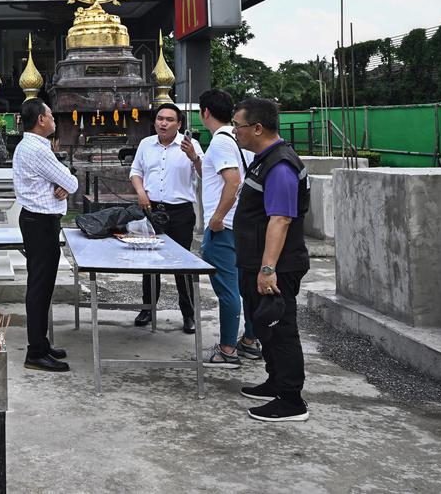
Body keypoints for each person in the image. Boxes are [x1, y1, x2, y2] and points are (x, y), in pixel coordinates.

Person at [231, 98, 311, 422]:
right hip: (255, 262)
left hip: (277, 267)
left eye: (238, 125)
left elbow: (281, 219)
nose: (235, 131)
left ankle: (291, 400)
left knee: (281, 330)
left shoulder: (280, 165)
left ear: (257, 128)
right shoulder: (262, 160)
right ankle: (276, 381)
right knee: (265, 326)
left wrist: (267, 270)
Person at [12, 97, 78, 372]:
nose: (53, 119)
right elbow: (72, 182)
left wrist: (60, 182)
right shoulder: (36, 149)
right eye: (50, 115)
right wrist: (63, 181)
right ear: (40, 119)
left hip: (39, 219)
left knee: (43, 285)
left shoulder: (34, 146)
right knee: (39, 287)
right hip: (39, 222)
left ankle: (41, 342)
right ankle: (35, 351)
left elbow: (63, 181)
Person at [195, 89, 259, 369]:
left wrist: (217, 218)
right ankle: (250, 340)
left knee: (228, 289)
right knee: (245, 287)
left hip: (227, 226)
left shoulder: (220, 142)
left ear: (205, 112)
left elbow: (232, 182)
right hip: (241, 225)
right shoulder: (232, 139)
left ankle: (227, 349)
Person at [129, 103, 202, 333]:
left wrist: (194, 157)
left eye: (169, 119)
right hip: (151, 210)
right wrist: (141, 192)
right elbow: (136, 171)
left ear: (179, 124)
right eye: (160, 118)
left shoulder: (191, 145)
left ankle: (188, 313)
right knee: (149, 262)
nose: (163, 123)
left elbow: (206, 174)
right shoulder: (146, 144)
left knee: (182, 263)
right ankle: (148, 308)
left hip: (180, 211)